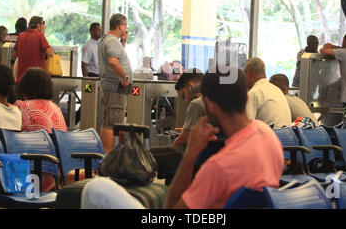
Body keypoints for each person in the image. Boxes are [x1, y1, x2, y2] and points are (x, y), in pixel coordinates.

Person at [81, 67, 284, 209]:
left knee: (97, 189)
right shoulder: (269, 137)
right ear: (246, 98)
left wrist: (190, 153)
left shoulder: (219, 167)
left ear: (210, 105)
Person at [150, 70, 204, 183]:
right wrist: (185, 131)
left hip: (190, 154)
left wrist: (171, 147)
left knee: (146, 154)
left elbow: (185, 138)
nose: (186, 100)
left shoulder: (196, 104)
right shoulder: (211, 100)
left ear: (190, 86)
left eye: (184, 95)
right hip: (204, 151)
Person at [98, 13, 132, 153]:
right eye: (125, 25)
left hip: (110, 87)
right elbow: (113, 61)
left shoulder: (108, 40)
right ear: (119, 25)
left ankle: (108, 154)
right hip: (115, 88)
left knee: (109, 122)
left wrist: (123, 41)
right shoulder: (112, 41)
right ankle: (108, 155)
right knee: (112, 124)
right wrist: (124, 78)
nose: (126, 28)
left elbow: (117, 56)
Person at [244, 57, 292, 128]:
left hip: (269, 136)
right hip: (287, 136)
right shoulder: (277, 90)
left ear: (248, 74)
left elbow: (246, 127)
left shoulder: (253, 93)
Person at [15, 67, 67, 133]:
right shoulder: (56, 108)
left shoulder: (21, 106)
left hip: (38, 142)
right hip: (60, 142)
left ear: (24, 86)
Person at [12, 16, 54, 84]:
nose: (45, 27)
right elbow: (50, 53)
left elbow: (13, 55)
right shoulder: (40, 36)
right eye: (43, 23)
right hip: (37, 78)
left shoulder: (21, 36)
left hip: (21, 78)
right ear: (38, 25)